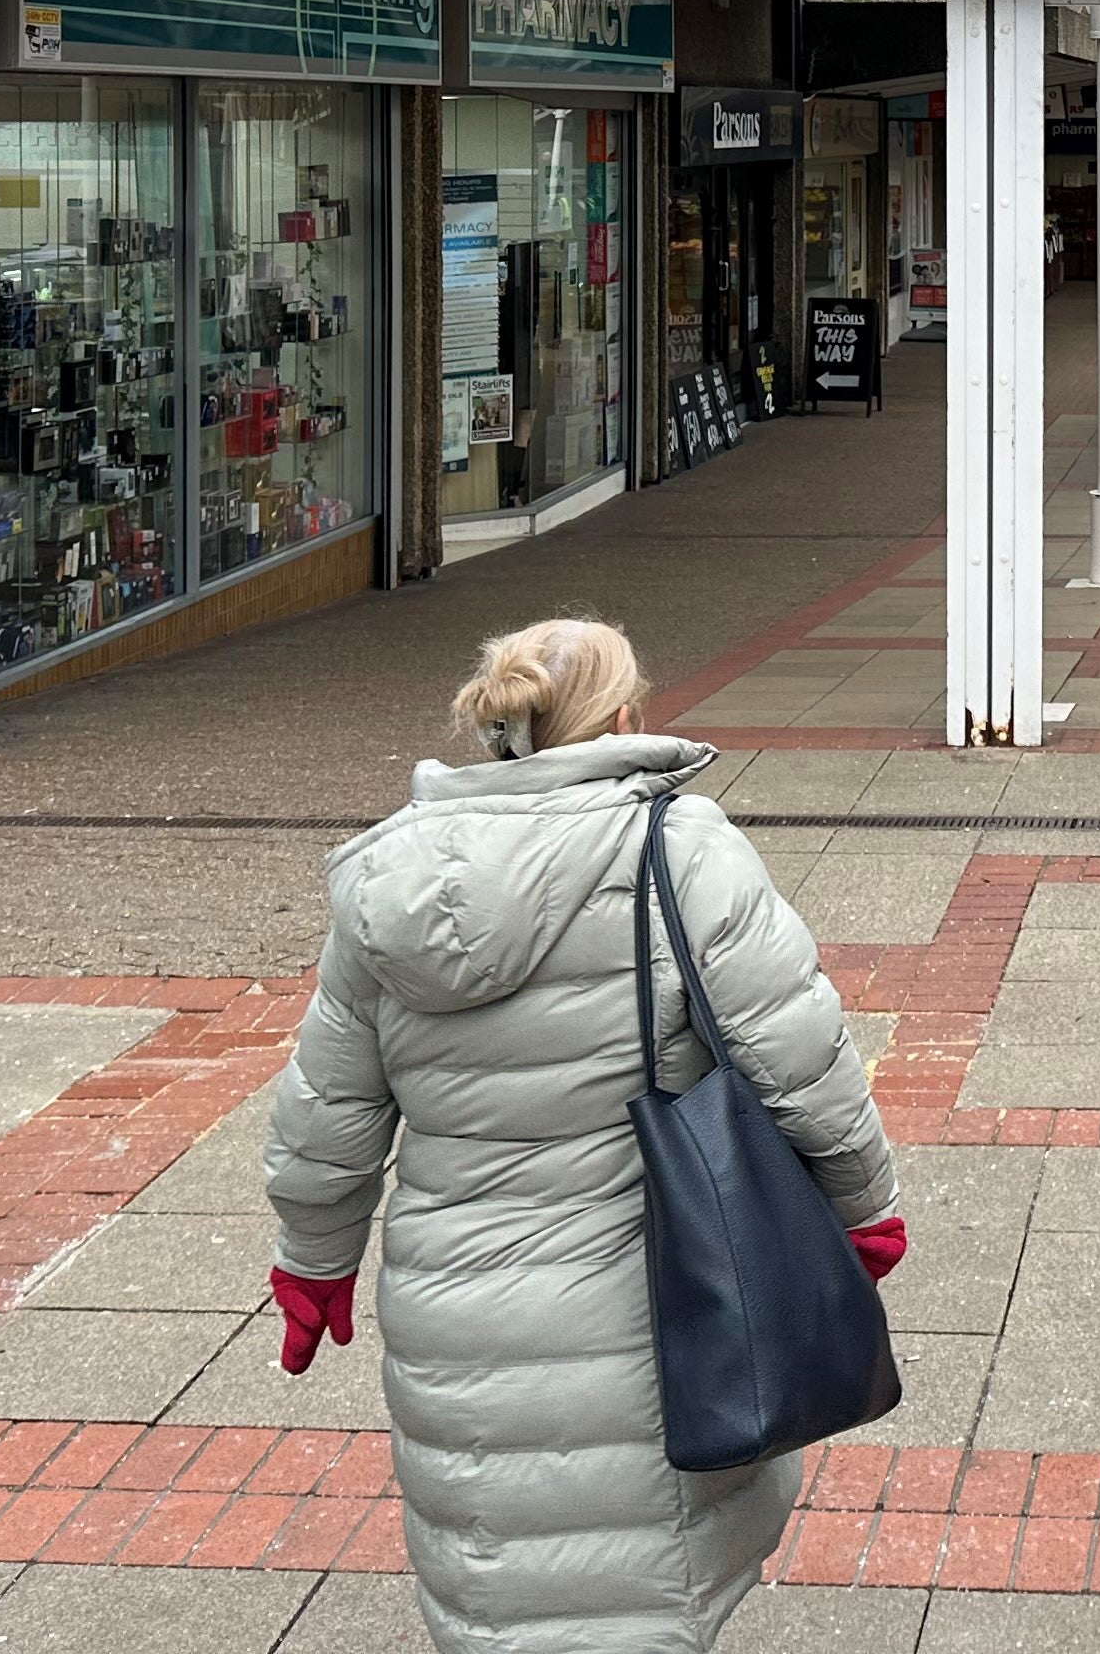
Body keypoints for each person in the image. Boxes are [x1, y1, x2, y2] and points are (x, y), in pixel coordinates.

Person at [265, 618, 905, 1654]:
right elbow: (800, 1052)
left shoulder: (388, 881)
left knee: (501, 1578)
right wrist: (862, 1205)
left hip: (453, 1309)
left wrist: (313, 1261)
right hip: (650, 1299)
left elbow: (326, 1104)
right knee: (639, 1579)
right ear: (621, 718)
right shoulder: (677, 849)